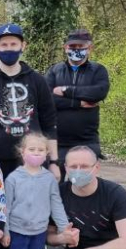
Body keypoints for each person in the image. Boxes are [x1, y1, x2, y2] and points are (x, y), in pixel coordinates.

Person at [0, 23, 60, 181]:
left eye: (13, 44)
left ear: (23, 46)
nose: (9, 49)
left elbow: (49, 123)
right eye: (4, 45)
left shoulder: (38, 80)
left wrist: (54, 162)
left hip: (33, 161)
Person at [1, 133, 69, 249]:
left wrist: (64, 227)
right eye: (32, 149)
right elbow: (6, 206)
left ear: (47, 153)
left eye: (40, 150)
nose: (36, 153)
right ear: (22, 152)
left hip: (38, 233)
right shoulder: (13, 178)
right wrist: (5, 230)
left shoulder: (49, 179)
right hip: (17, 232)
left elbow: (56, 203)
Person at [45, 29, 110, 173]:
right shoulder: (54, 71)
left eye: (80, 47)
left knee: (84, 183)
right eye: (72, 46)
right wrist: (78, 103)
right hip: (57, 142)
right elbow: (47, 100)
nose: (76, 50)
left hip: (87, 141)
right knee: (55, 183)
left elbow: (98, 93)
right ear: (65, 47)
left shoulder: (98, 70)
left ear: (89, 48)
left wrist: (66, 90)